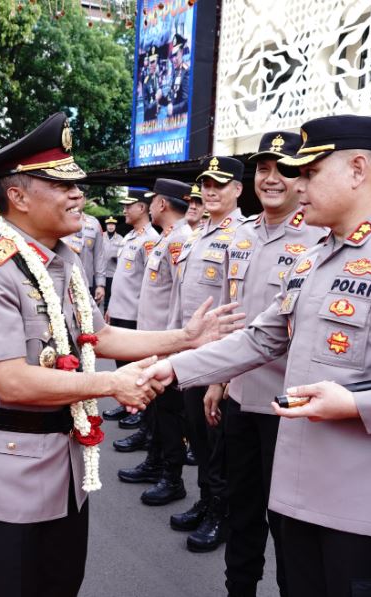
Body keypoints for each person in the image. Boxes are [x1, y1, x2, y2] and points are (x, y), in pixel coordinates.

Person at [139, 115, 371, 596]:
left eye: (310, 172)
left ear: (357, 169)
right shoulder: (314, 257)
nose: (296, 182)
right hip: (296, 498)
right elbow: (259, 339)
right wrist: (169, 369)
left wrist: (359, 405)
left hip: (369, 510)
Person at [0, 112, 243, 597]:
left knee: (62, 586)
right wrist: (112, 384)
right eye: (61, 184)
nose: (78, 194)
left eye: (77, 183)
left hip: (64, 471)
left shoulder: (64, 259)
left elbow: (99, 337)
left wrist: (185, 337)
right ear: (16, 196)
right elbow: (12, 382)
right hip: (5, 472)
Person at [207, 131, 325, 596]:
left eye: (285, 169)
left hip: (290, 408)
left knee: (289, 523)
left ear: (304, 180)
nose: (271, 178)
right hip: (240, 399)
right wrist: (219, 380)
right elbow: (228, 319)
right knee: (242, 513)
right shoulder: (239, 237)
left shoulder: (321, 237)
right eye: (263, 168)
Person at [165, 155, 249, 553]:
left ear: (238, 189)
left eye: (220, 183)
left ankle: (221, 512)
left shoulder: (243, 236)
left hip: (219, 359)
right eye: (206, 184)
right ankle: (205, 500)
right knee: (197, 436)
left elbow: (240, 304)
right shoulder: (197, 235)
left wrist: (227, 373)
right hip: (190, 355)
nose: (211, 191)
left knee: (217, 445)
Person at [117, 178, 194, 507]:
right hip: (152, 342)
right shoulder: (167, 238)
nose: (149, 206)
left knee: (168, 413)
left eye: (153, 201)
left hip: (165, 345)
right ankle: (155, 462)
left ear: (162, 204)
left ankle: (171, 476)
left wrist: (172, 346)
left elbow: (180, 298)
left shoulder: (180, 240)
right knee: (157, 411)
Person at [102, 188, 160, 433]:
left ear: (142, 208)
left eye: (129, 206)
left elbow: (149, 284)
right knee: (122, 364)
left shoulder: (150, 239)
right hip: (119, 311)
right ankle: (126, 402)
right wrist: (110, 309)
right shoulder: (130, 237)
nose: (124, 210)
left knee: (136, 367)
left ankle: (140, 408)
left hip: (134, 315)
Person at [62, 207, 107, 303]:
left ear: (84, 199)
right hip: (62, 280)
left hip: (86, 281)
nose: (77, 200)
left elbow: (99, 256)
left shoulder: (94, 223)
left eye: (80, 196)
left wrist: (100, 284)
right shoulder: (58, 218)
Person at [102, 215, 120, 309]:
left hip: (112, 273)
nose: (111, 226)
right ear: (106, 225)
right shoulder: (101, 236)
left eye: (112, 224)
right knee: (97, 294)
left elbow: (122, 256)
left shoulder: (120, 239)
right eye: (109, 224)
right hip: (100, 272)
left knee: (109, 295)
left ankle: (107, 312)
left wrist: (117, 258)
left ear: (115, 226)